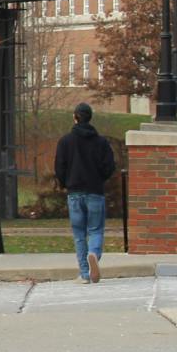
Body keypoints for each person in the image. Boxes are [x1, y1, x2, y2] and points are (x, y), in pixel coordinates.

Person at [54, 102, 116, 283]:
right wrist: (100, 179)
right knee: (96, 230)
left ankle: (84, 274)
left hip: (74, 192)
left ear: (75, 117)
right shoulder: (101, 142)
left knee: (79, 234)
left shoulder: (65, 141)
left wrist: (66, 183)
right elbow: (109, 166)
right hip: (95, 191)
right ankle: (93, 254)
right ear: (90, 118)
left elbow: (59, 167)